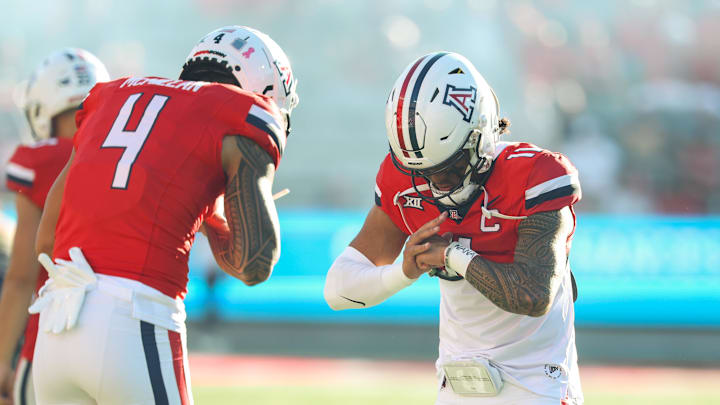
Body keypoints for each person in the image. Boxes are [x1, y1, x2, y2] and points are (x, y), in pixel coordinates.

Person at [31, 25, 298, 404]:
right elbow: (255, 264)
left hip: (56, 322)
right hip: (132, 318)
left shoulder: (110, 96)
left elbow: (46, 237)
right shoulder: (242, 112)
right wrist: (218, 218)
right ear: (264, 88)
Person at [324, 52, 583, 404]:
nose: (435, 186)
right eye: (423, 173)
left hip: (538, 385)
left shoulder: (536, 176)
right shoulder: (404, 182)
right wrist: (404, 272)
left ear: (481, 137)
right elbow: (337, 289)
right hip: (459, 385)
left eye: (447, 169)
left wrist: (452, 255)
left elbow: (533, 295)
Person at [0, 48, 109, 405]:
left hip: (53, 334)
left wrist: (1, 359)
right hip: (124, 331)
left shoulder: (40, 158)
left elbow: (20, 277)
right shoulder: (127, 154)